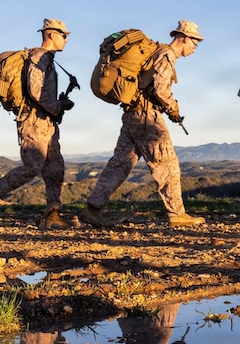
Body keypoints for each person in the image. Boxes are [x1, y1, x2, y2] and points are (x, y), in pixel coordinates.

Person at [81, 20, 205, 228]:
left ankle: (92, 210)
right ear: (183, 38)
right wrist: (174, 108)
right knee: (168, 166)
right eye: (195, 42)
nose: (195, 48)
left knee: (119, 165)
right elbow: (160, 90)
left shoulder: (156, 52)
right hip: (148, 118)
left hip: (132, 115)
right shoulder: (166, 55)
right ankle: (177, 215)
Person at [0, 19, 75, 230]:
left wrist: (57, 107)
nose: (66, 39)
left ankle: (53, 213)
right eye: (63, 35)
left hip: (45, 120)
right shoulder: (40, 58)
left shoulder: (48, 59)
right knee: (33, 166)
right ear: (51, 35)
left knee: (55, 167)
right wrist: (58, 106)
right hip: (33, 119)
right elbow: (36, 91)